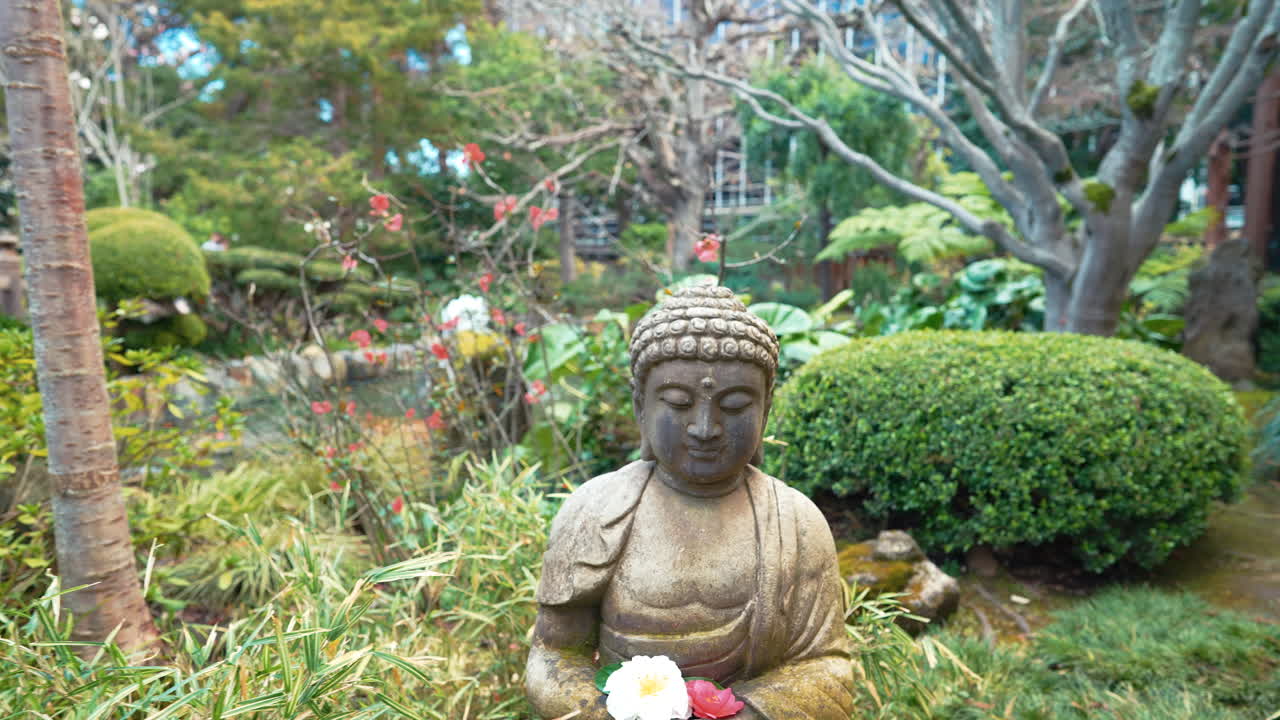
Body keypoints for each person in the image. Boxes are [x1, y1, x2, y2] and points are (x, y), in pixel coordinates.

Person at [526, 284, 854, 719]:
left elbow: (827, 668)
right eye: (678, 402)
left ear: (766, 408)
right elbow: (552, 655)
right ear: (640, 405)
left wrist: (750, 713)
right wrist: (598, 712)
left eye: (735, 405)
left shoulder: (796, 522)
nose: (705, 427)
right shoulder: (595, 511)